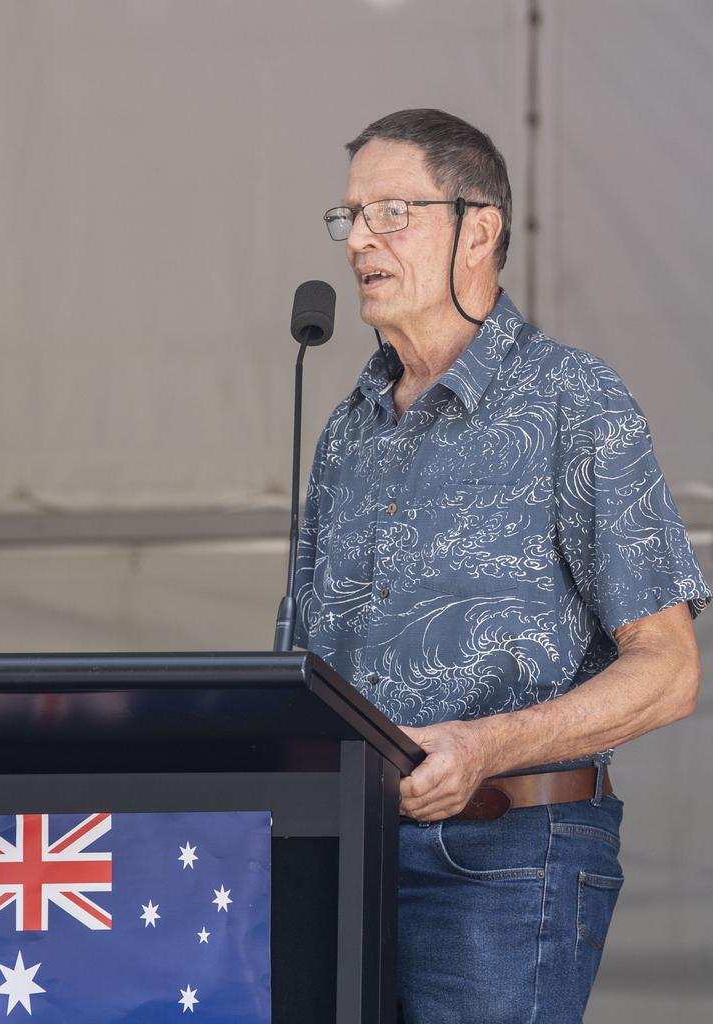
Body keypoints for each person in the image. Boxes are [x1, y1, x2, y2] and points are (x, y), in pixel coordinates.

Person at [293, 108, 711, 1024]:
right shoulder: (343, 433)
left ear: (478, 228)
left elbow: (671, 673)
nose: (360, 238)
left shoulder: (575, 401)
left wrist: (485, 745)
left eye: (391, 211)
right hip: (339, 854)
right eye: (349, 216)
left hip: (507, 855)